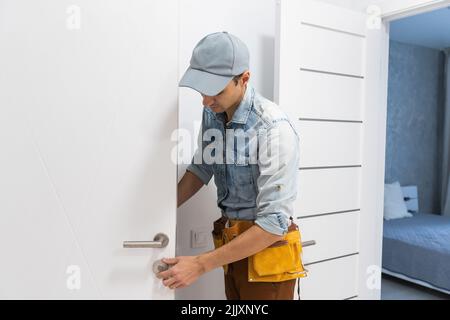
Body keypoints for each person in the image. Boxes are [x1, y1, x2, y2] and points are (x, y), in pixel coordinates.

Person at [156, 31, 301, 300]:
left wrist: (199, 265)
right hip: (231, 243)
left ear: (244, 79)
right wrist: (159, 211)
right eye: (202, 91)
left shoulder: (274, 130)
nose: (206, 101)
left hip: (267, 251)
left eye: (216, 92)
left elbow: (274, 223)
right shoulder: (214, 110)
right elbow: (202, 167)